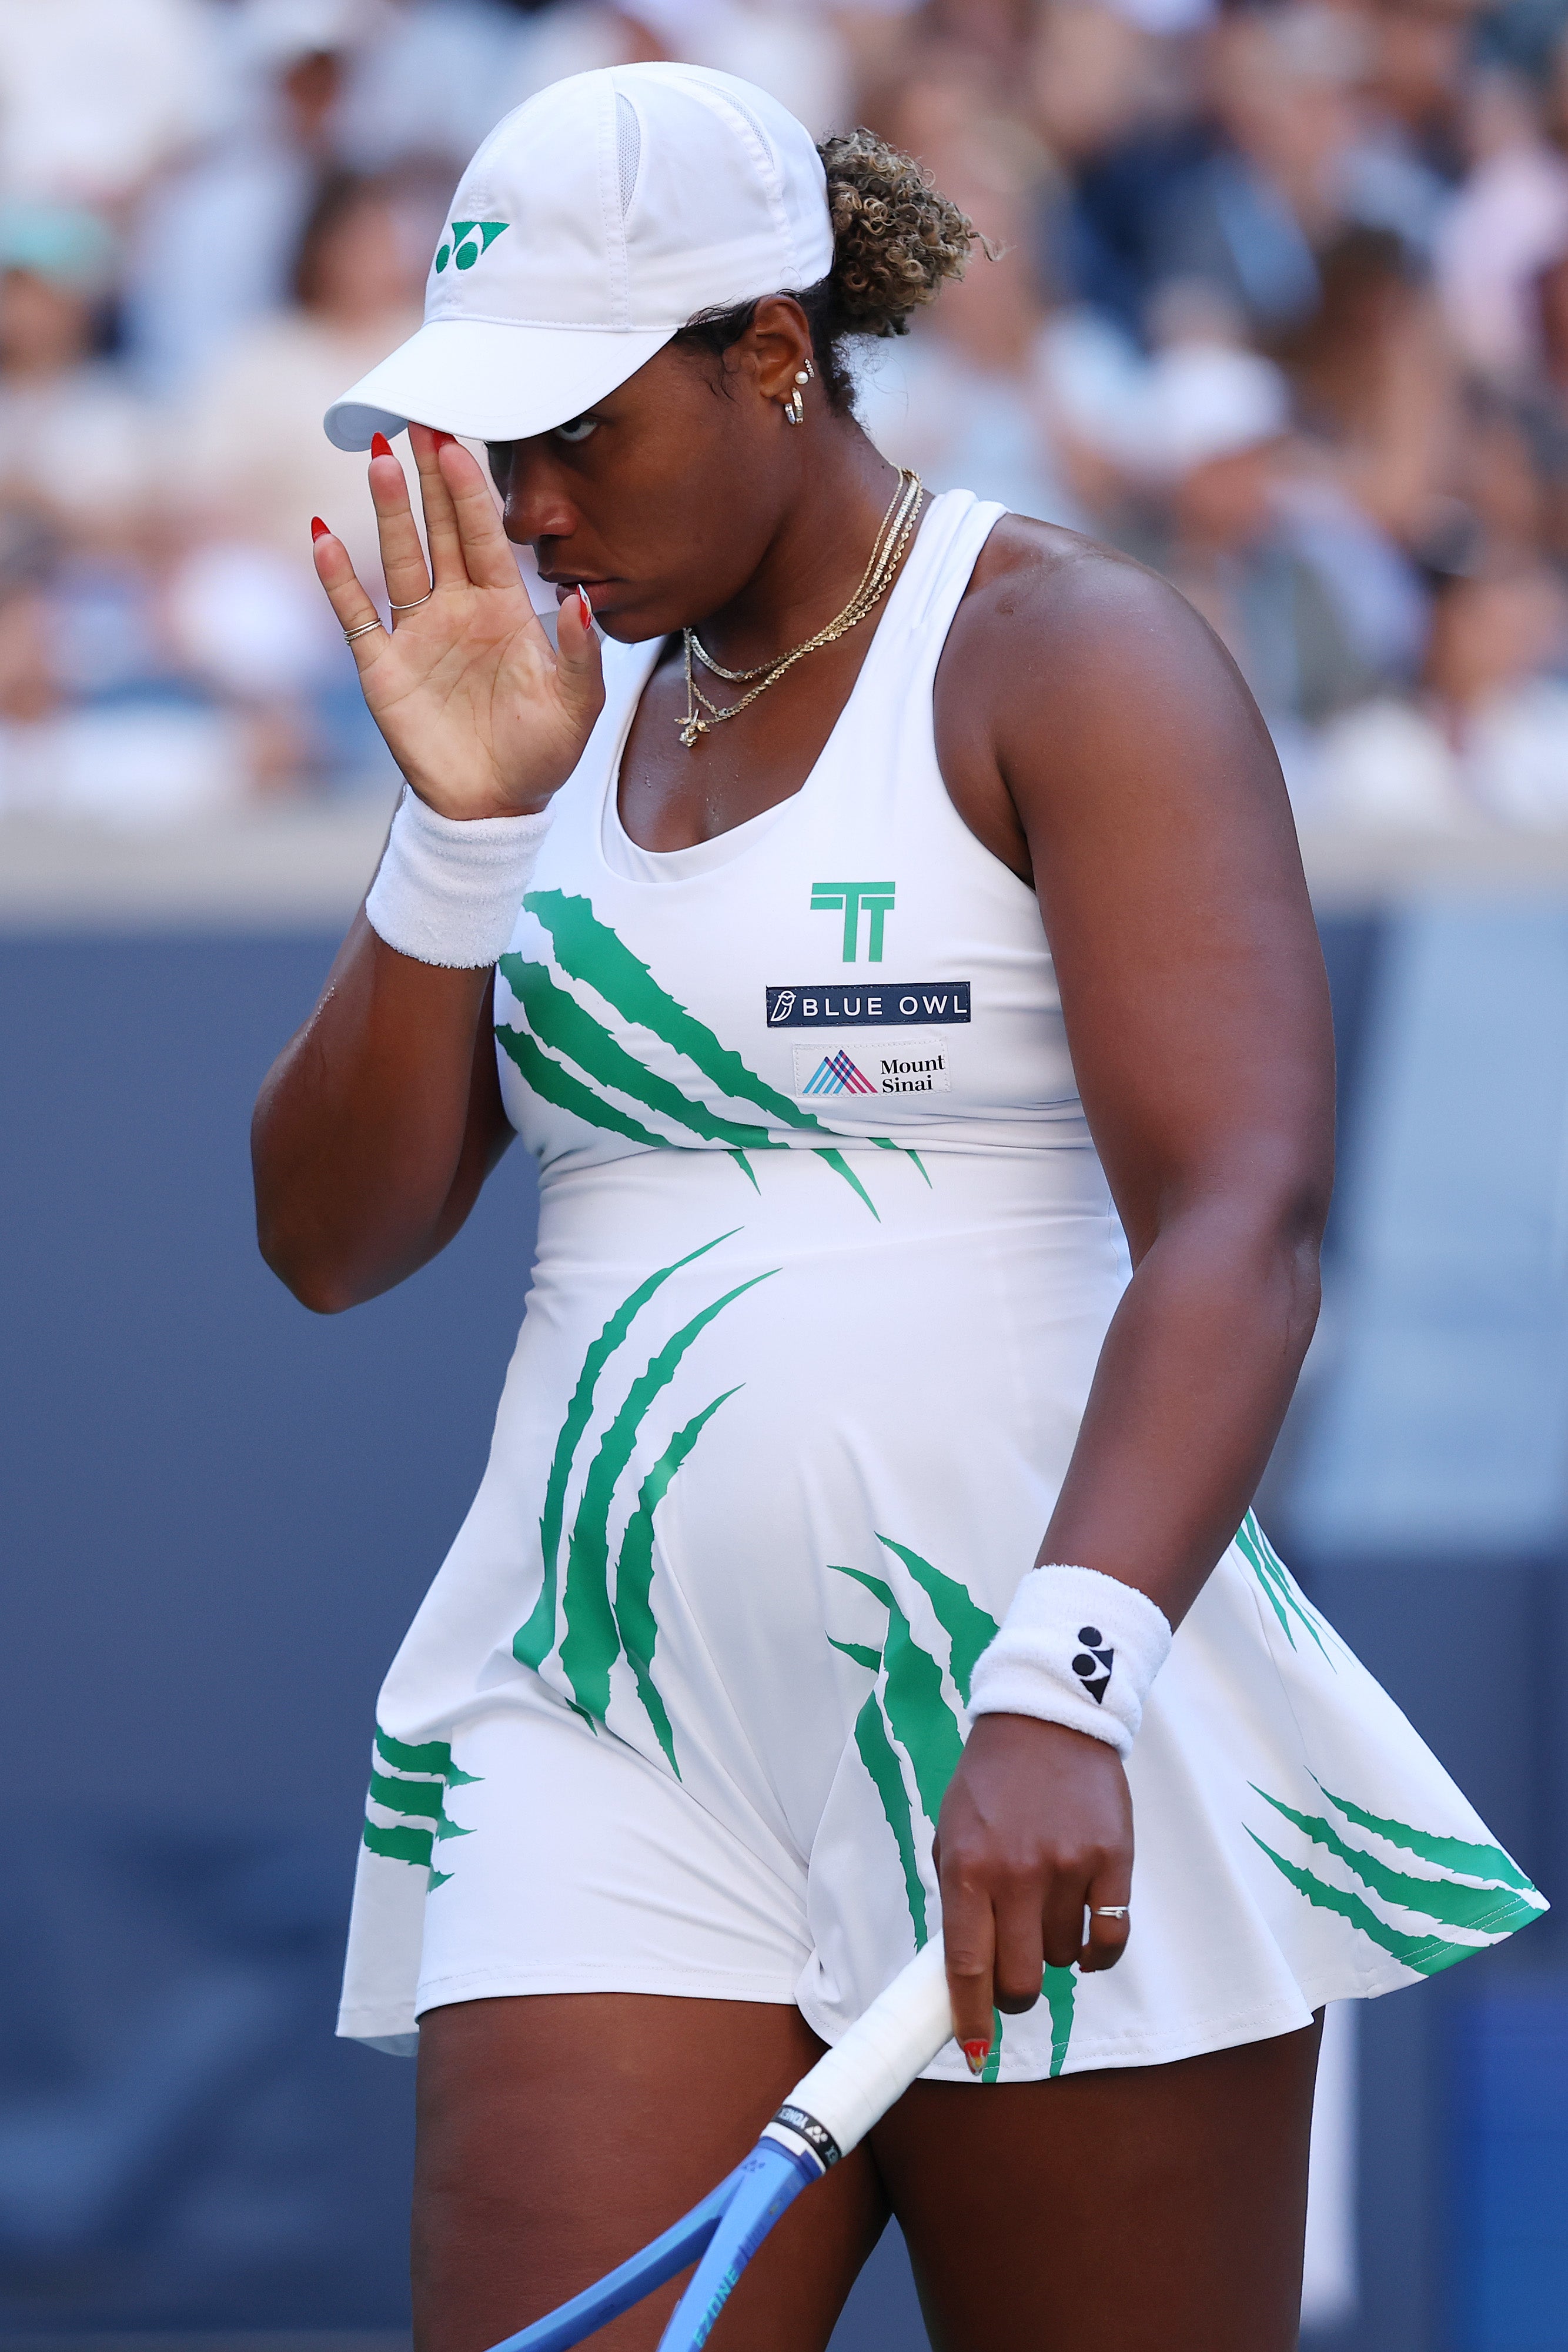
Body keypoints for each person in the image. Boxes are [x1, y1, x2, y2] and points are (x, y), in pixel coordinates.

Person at [251, 64, 1544, 2351]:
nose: (530, 504)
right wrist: (454, 837)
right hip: (600, 1717)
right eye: (492, 446)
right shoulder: (536, 718)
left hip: (1040, 1714)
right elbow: (328, 1241)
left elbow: (1243, 1214)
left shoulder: (1071, 650)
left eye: (578, 432)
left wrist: (1064, 1686)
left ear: (772, 352)